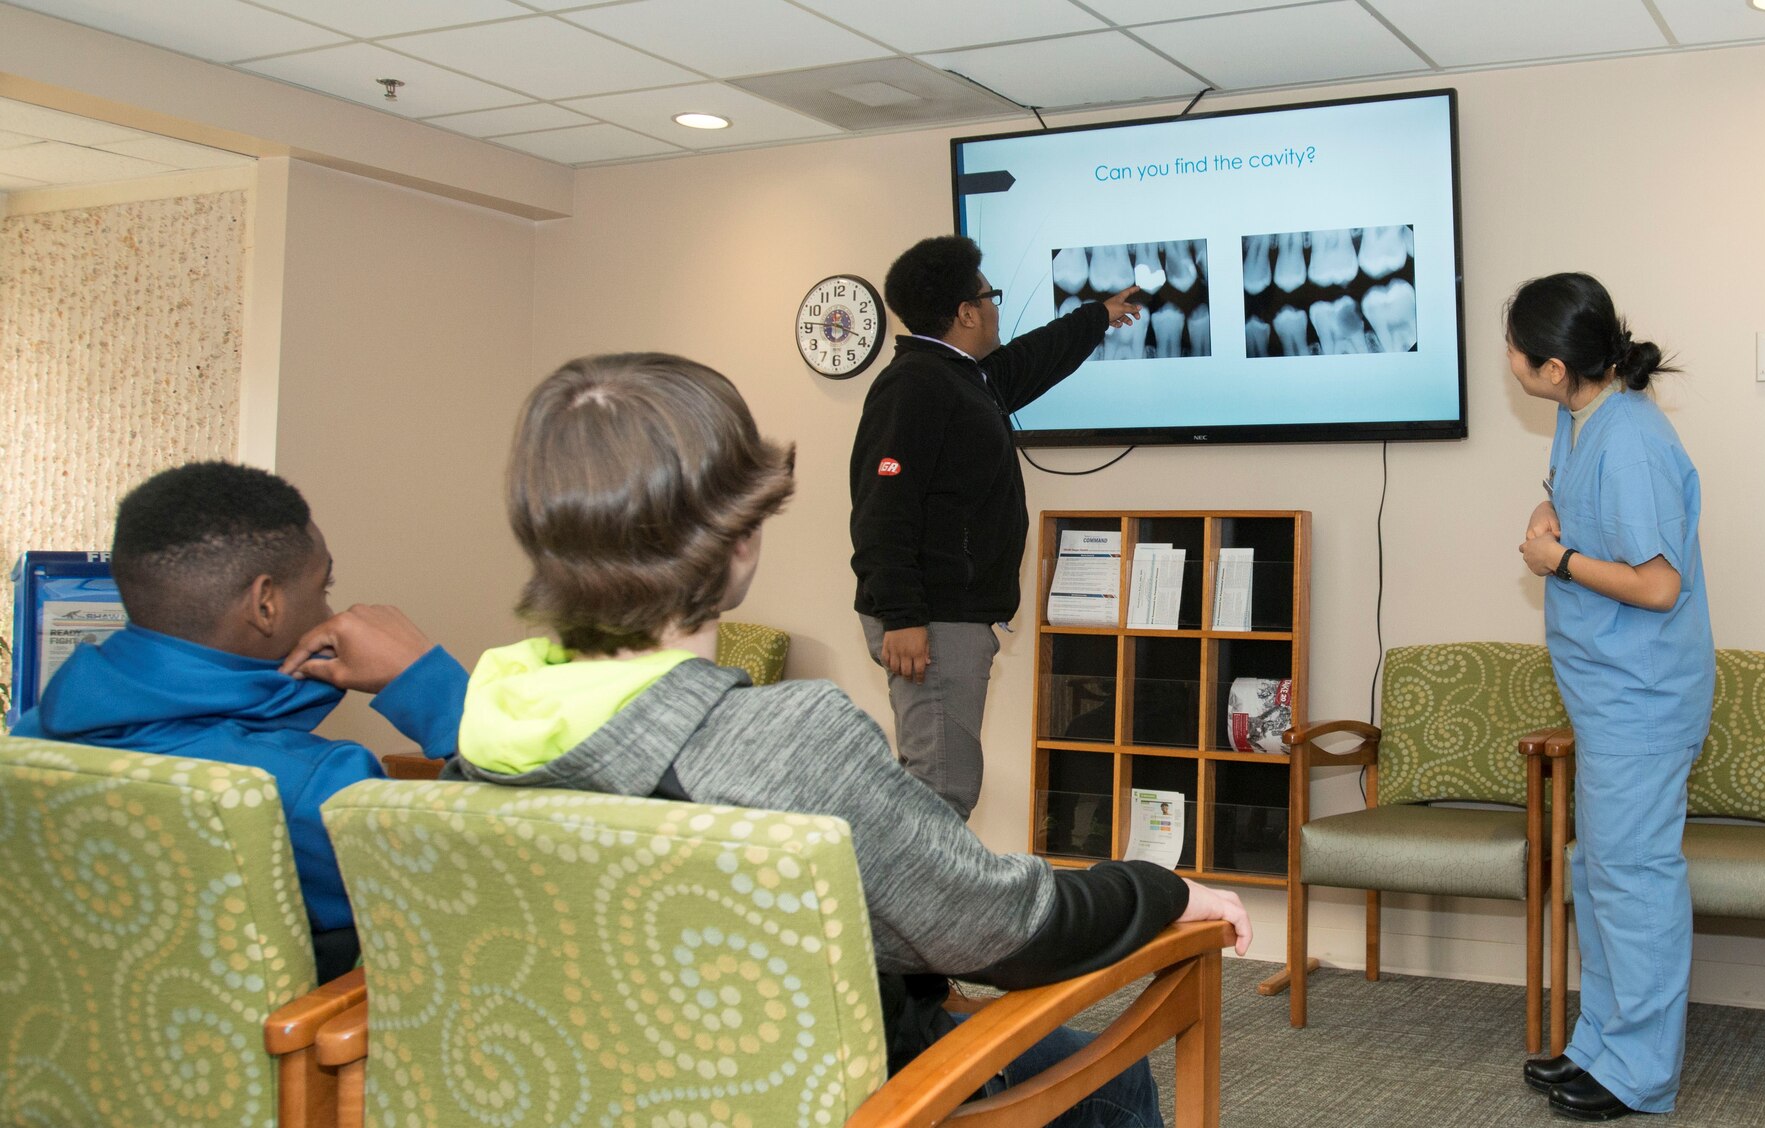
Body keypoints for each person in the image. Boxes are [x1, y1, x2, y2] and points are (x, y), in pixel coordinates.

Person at [448, 353, 1248, 1126]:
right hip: (841, 1092)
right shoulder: (791, 745)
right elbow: (1001, 927)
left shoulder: (482, 738)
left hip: (573, 1090)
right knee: (1113, 1084)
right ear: (741, 537)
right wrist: (1163, 889)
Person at [12, 461, 468, 983]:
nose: (330, 610)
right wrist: (430, 684)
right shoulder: (311, 787)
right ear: (266, 604)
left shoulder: (30, 739)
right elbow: (491, 893)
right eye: (324, 587)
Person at [1507, 274, 1715, 1121]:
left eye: (1516, 348)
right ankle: (1602, 1045)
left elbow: (1660, 585)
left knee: (1633, 882)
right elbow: (1574, 496)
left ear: (1555, 367)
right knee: (1600, 877)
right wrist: (1551, 518)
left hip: (1643, 697)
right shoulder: (1582, 412)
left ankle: (1640, 1072)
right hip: (1607, 695)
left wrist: (1554, 563)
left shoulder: (1630, 437)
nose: (1509, 358)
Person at [851, 235, 1144, 819]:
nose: (994, 307)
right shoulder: (915, 386)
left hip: (946, 614)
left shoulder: (959, 378)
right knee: (940, 790)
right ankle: (911, 911)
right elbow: (882, 506)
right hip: (931, 620)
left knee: (943, 787)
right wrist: (903, 617)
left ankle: (920, 909)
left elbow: (1027, 362)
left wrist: (1096, 317)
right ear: (965, 313)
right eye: (991, 296)